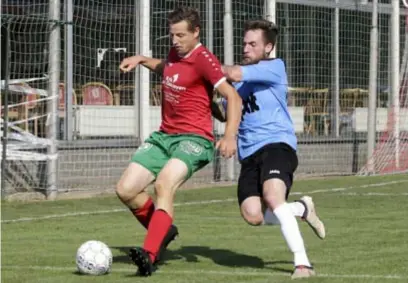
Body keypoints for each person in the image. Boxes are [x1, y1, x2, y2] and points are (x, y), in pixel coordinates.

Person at [116, 6, 242, 277]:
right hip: (164, 136)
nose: (175, 41)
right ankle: (163, 230)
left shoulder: (204, 59)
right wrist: (140, 59)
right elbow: (166, 68)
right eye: (172, 35)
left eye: (181, 35)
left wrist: (230, 134)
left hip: (195, 139)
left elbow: (232, 97)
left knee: (163, 184)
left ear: (196, 32)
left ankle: (149, 255)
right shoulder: (176, 52)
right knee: (126, 190)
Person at [218, 19, 326, 279]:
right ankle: (301, 209)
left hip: (277, 144)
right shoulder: (233, 86)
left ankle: (302, 264)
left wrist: (200, 65)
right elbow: (227, 114)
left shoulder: (274, 67)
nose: (246, 48)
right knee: (253, 214)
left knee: (274, 198)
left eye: (253, 44)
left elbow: (231, 73)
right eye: (244, 43)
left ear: (268, 47)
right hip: (249, 154)